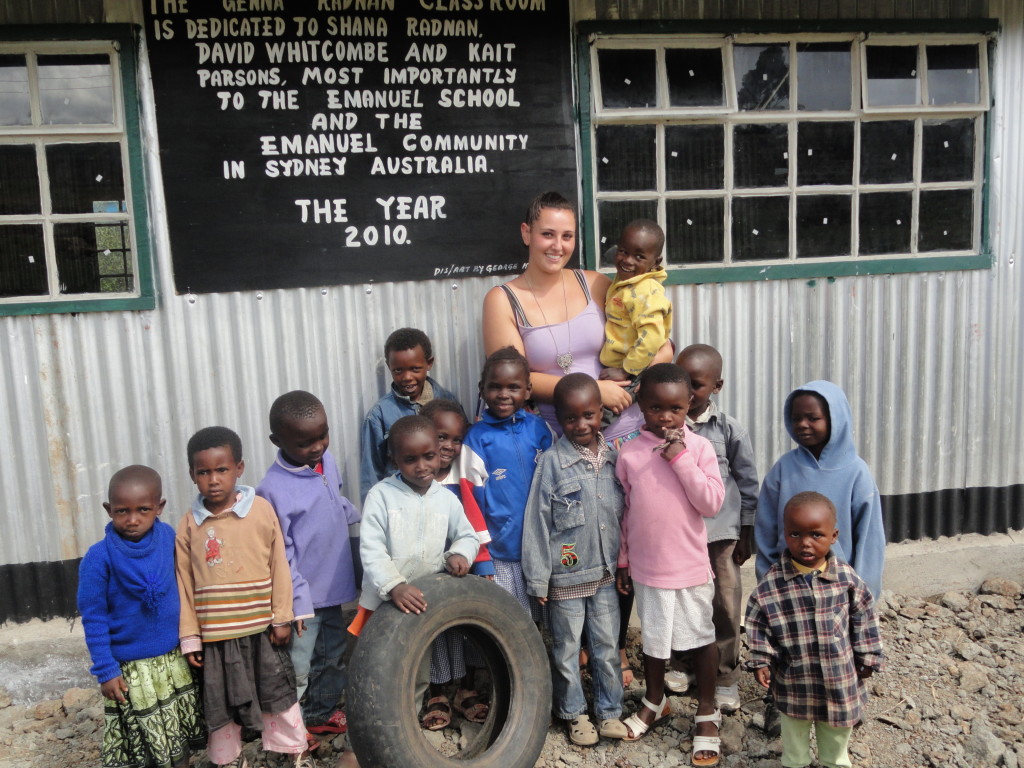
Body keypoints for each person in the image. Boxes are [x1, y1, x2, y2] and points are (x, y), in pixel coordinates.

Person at [481, 191, 674, 683]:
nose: (557, 245)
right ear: (527, 233)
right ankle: (572, 644)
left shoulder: (598, 283)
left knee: (618, 534)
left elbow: (654, 337)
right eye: (547, 233)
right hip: (555, 435)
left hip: (622, 428)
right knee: (570, 539)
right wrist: (592, 390)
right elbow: (513, 377)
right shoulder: (503, 299)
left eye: (567, 235)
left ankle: (614, 642)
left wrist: (634, 378)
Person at [175, 427, 314, 768]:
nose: (213, 479)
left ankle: (291, 752)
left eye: (221, 470)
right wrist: (191, 637)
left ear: (239, 468)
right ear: (192, 475)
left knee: (277, 694)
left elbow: (279, 564)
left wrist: (282, 615)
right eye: (203, 472)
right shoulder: (189, 525)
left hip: (261, 631)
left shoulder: (261, 511)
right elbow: (184, 584)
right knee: (219, 703)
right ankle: (229, 760)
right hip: (216, 638)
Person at [614, 363, 725, 766]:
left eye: (675, 409)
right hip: (647, 567)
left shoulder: (698, 449)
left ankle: (707, 710)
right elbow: (627, 512)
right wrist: (624, 560)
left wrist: (679, 458)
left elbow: (711, 503)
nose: (665, 417)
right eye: (656, 407)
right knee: (655, 640)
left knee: (699, 637)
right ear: (641, 404)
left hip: (690, 566)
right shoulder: (629, 453)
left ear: (689, 405)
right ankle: (655, 700)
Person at [348, 416, 479, 726]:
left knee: (416, 669)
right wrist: (394, 585)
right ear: (394, 458)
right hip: (383, 600)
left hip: (421, 602)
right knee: (377, 667)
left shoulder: (446, 498)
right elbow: (370, 547)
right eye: (410, 459)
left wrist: (460, 553)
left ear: (440, 453)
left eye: (429, 456)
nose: (421, 466)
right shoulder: (381, 495)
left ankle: (402, 731)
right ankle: (369, 729)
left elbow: (468, 535)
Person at [522, 374, 628, 746]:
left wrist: (626, 564)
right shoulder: (552, 462)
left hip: (604, 575)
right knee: (566, 649)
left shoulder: (615, 458)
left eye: (588, 415)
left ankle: (610, 710)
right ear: (559, 418)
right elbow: (537, 520)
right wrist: (538, 578)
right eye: (570, 418)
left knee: (606, 645)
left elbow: (625, 516)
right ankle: (574, 713)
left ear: (601, 412)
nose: (580, 425)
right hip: (566, 577)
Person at [78, 465, 205, 768]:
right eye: (122, 511)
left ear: (159, 507)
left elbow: (188, 586)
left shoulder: (168, 539)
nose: (132, 519)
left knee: (179, 737)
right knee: (145, 744)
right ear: (109, 510)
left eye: (143, 510)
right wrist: (106, 670)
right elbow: (94, 618)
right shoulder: (99, 558)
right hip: (132, 671)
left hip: (174, 662)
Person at [745, 492, 884, 768]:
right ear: (784, 534)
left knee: (836, 732)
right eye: (795, 534)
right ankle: (795, 762)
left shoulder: (846, 579)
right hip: (795, 678)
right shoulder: (773, 583)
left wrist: (868, 656)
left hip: (839, 677)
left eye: (816, 535)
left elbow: (865, 617)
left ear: (833, 536)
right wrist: (761, 659)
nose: (805, 543)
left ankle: (835, 762)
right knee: (794, 734)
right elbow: (758, 623)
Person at [255, 391, 361, 745]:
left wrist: (351, 512)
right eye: (304, 443)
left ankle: (320, 714)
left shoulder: (326, 460)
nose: (317, 446)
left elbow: (334, 496)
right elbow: (280, 552)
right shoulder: (272, 489)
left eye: (323, 435)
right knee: (298, 666)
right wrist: (294, 604)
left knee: (332, 656)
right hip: (302, 600)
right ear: (277, 441)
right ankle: (287, 729)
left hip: (335, 587)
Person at [670, 344, 759, 713]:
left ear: (717, 386)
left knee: (724, 603)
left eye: (697, 385)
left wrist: (747, 530)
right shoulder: (666, 427)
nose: (688, 393)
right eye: (682, 383)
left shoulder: (728, 429)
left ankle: (725, 677)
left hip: (721, 535)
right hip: (679, 536)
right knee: (681, 601)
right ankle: (684, 664)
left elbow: (748, 481)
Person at [755, 380, 886, 603]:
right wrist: (768, 580)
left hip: (841, 590)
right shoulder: (783, 469)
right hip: (789, 584)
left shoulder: (856, 472)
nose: (803, 424)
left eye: (813, 418)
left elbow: (869, 539)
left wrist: (864, 593)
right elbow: (766, 529)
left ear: (837, 419)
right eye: (796, 418)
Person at [461, 346, 553, 619]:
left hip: (541, 547)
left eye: (513, 387)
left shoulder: (539, 429)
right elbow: (469, 502)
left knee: (545, 619)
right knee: (508, 621)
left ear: (527, 390)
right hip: (501, 553)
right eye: (495, 387)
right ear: (482, 389)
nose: (503, 395)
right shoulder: (476, 439)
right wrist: (481, 556)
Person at [418, 398, 492, 729]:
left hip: (465, 569)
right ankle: (436, 693)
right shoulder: (414, 480)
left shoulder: (463, 478)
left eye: (456, 439)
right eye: (440, 437)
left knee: (468, 629)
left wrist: (484, 566)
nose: (448, 446)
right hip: (428, 574)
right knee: (434, 633)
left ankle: (467, 690)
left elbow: (477, 525)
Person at [359, 327, 460, 504]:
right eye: (398, 370)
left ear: (429, 363)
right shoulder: (379, 415)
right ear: (389, 367)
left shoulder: (447, 402)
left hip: (445, 499)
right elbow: (371, 473)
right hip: (400, 503)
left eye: (415, 368)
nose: (407, 377)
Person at [599, 219, 672, 389]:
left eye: (639, 256)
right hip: (622, 368)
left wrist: (626, 371)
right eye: (623, 252)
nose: (628, 261)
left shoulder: (645, 291)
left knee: (607, 413)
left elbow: (651, 338)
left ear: (655, 262)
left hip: (633, 372)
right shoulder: (627, 281)